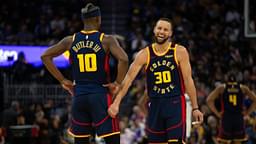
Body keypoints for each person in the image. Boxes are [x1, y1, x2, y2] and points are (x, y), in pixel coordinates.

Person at [41, 3, 128, 144]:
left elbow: (45, 56)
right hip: (100, 95)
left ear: (84, 20)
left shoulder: (70, 40)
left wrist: (62, 80)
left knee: (80, 140)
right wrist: (117, 83)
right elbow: (123, 59)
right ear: (98, 19)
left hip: (79, 96)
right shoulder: (106, 39)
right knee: (112, 139)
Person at [108, 17, 204, 144]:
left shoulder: (179, 51)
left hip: (175, 104)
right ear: (154, 30)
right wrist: (116, 103)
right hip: (155, 106)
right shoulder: (145, 54)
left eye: (165, 30)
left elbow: (188, 80)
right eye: (159, 28)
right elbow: (129, 78)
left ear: (170, 33)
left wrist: (195, 107)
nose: (161, 32)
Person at [207, 74, 256, 144]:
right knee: (238, 141)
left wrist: (217, 114)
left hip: (226, 118)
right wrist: (248, 113)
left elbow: (209, 100)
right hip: (238, 118)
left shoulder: (222, 88)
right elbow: (255, 100)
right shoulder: (243, 88)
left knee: (224, 141)